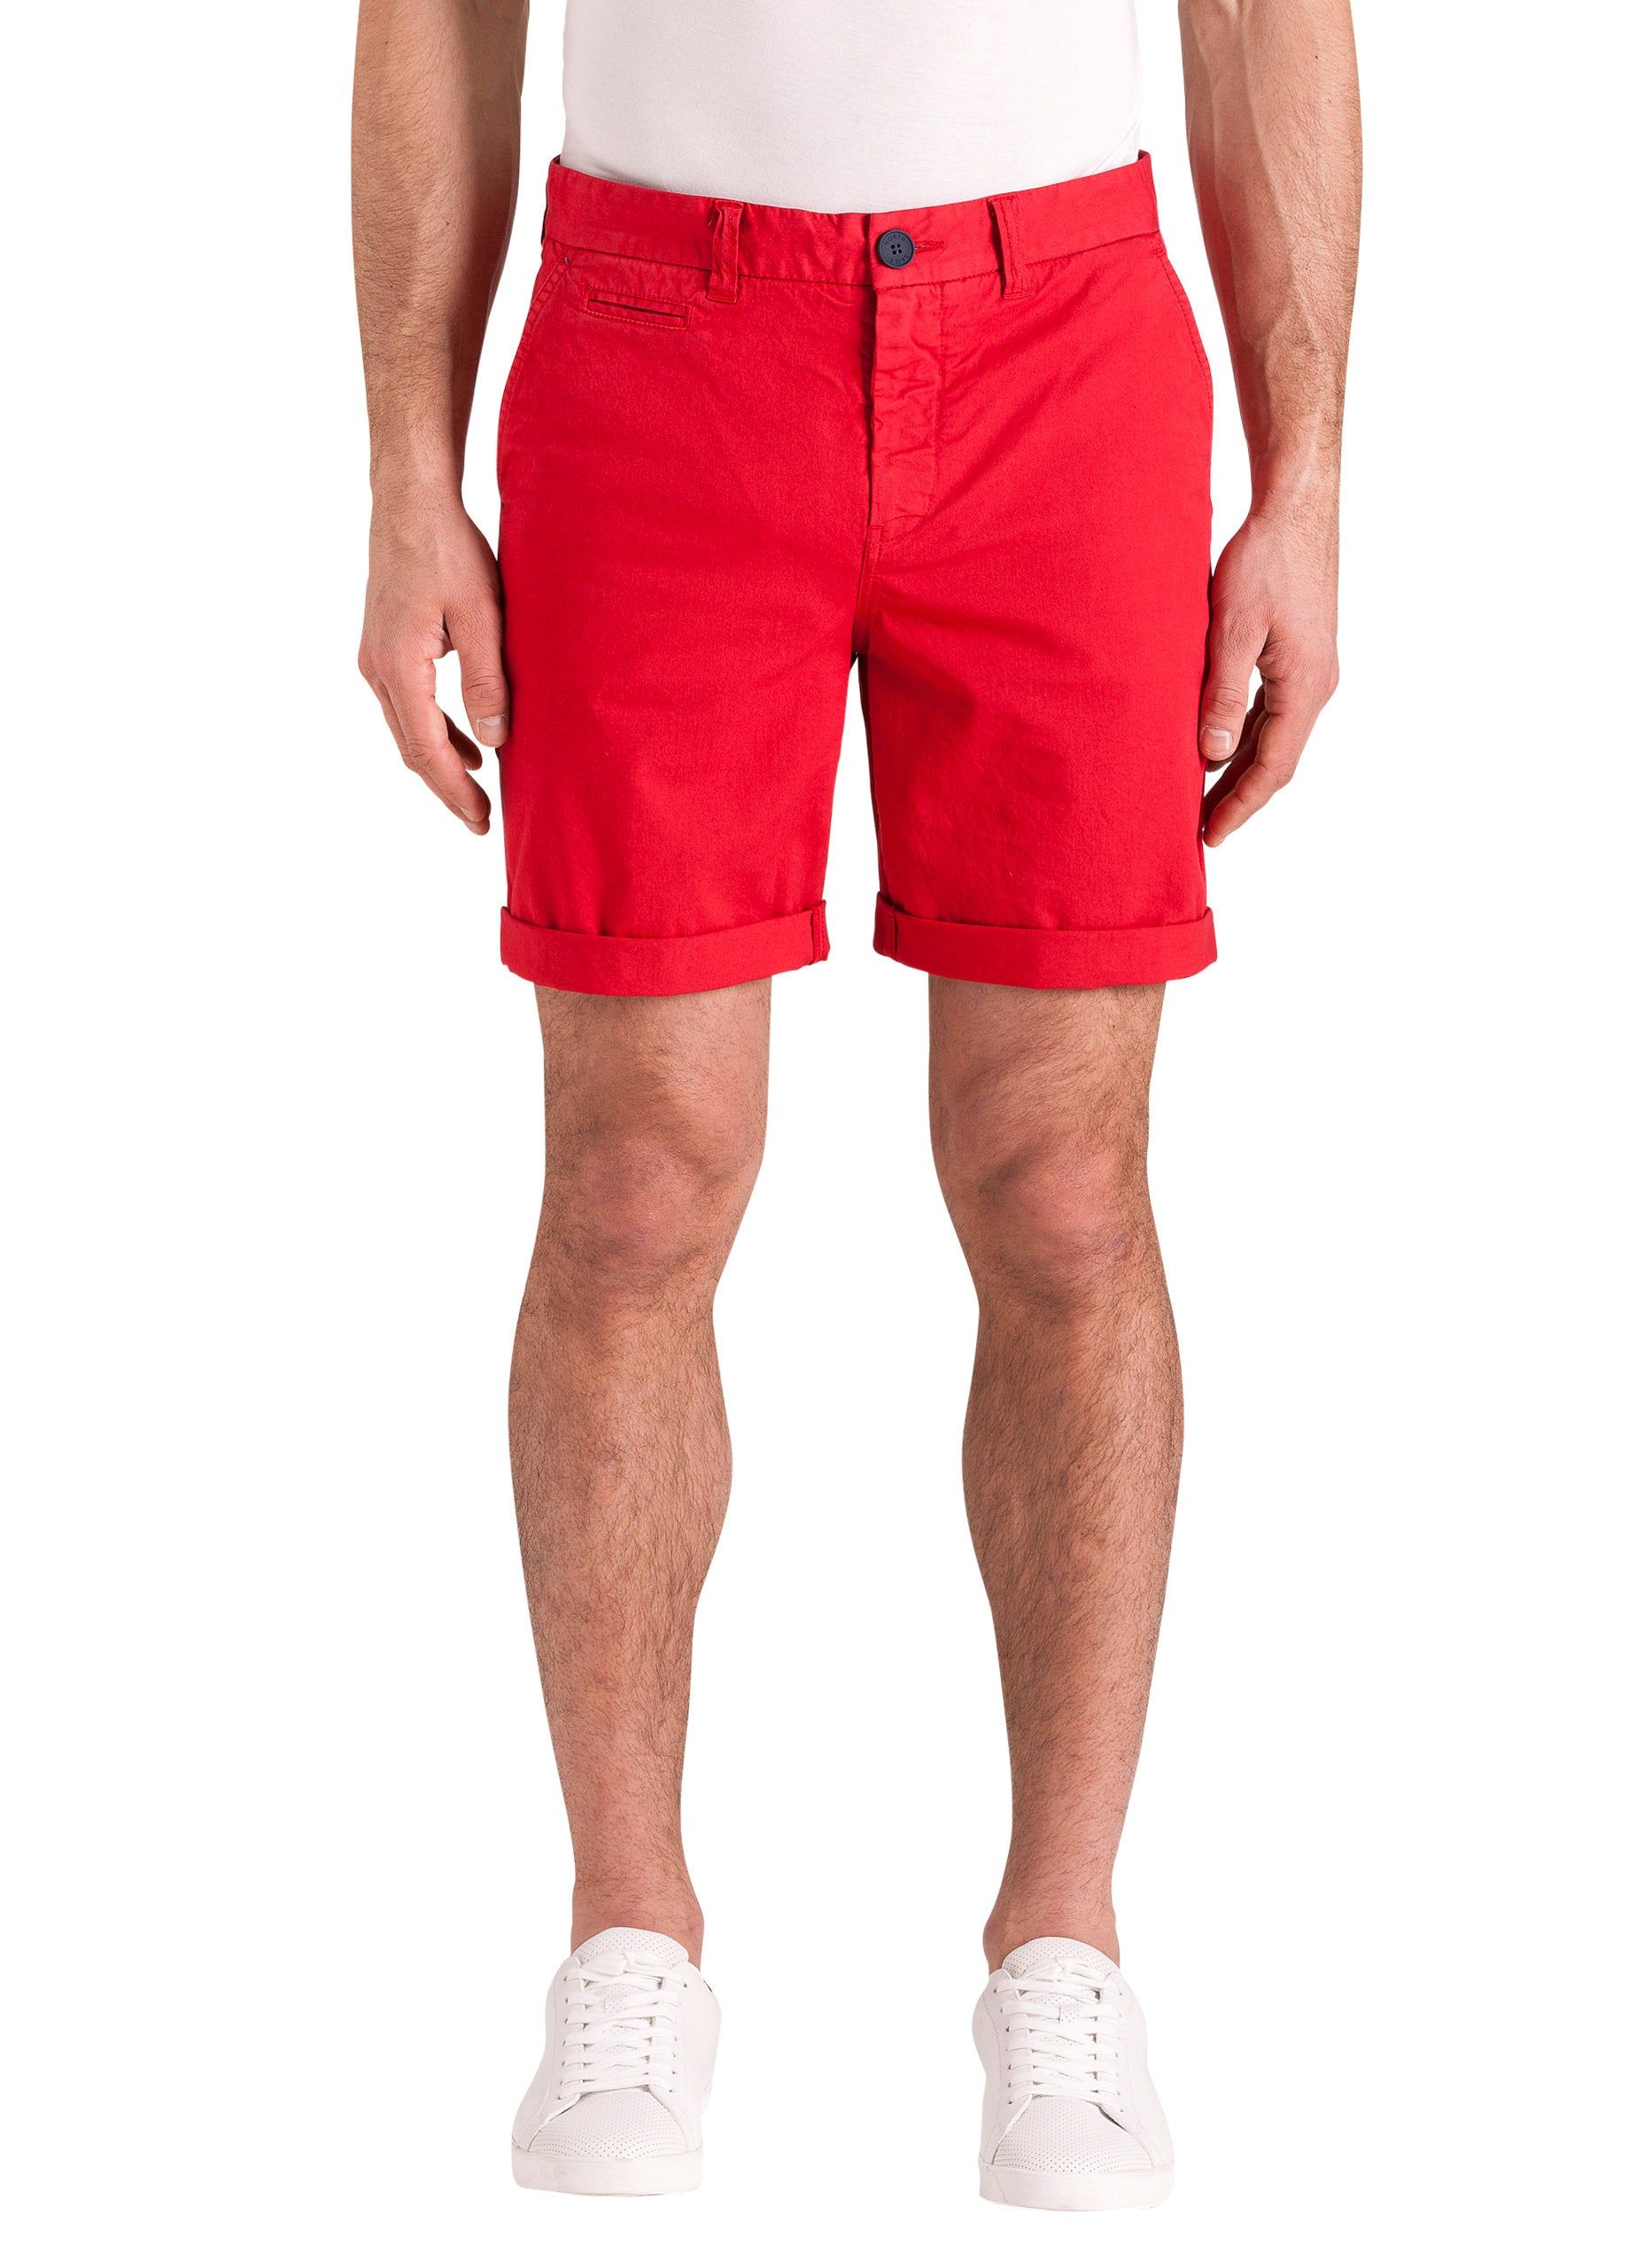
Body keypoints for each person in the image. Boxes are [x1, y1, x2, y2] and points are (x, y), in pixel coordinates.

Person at [353, 0, 1359, 2211]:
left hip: (1062, 341)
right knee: (635, 1183)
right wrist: (406, 470)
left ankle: (1063, 1947)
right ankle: (628, 1934)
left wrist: (1305, 479)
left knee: (1066, 1188)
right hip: (656, 339)